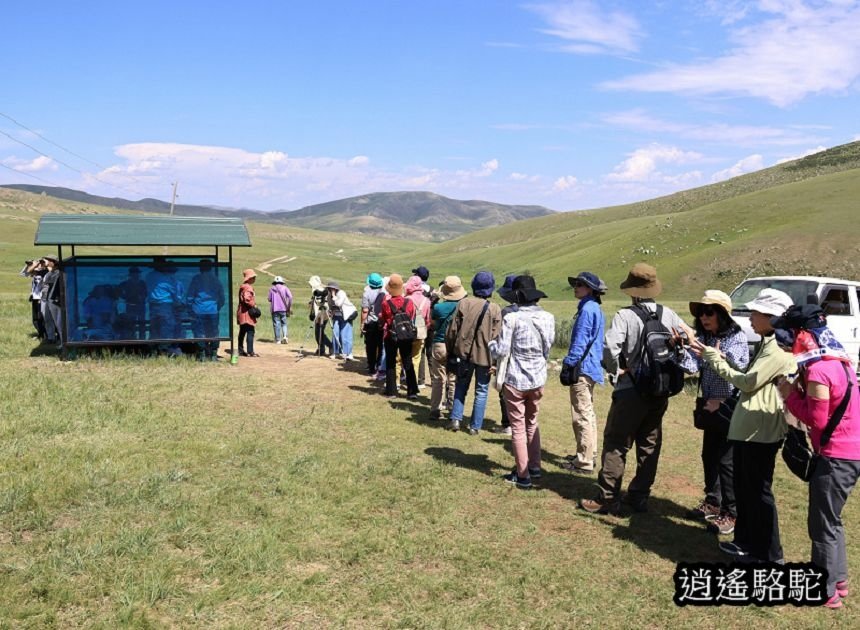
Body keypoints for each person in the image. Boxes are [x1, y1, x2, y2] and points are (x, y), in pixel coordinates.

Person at [692, 288, 794, 564]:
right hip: (751, 427)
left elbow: (747, 382)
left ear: (771, 317)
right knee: (746, 488)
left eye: (756, 312)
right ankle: (746, 543)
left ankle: (771, 555)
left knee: (759, 492)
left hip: (759, 429)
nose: (750, 316)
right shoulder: (768, 343)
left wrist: (713, 357)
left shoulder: (778, 349)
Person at [580, 263, 687, 515]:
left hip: (631, 389)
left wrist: (616, 370)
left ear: (632, 290)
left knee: (617, 442)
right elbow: (685, 338)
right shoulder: (668, 314)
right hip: (660, 389)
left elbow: (610, 348)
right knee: (649, 444)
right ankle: (639, 496)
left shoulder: (625, 316)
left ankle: (607, 497)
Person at [774, 305, 860, 609]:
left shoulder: (821, 371)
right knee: (831, 520)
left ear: (801, 336)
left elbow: (817, 420)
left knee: (821, 525)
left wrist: (789, 394)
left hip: (835, 457)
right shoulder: (840, 362)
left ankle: (824, 591)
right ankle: (839, 580)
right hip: (850, 454)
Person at [678, 290, 750, 536]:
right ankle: (713, 502)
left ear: (722, 314)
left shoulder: (736, 337)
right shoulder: (707, 337)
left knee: (727, 462)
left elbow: (738, 368)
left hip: (729, 406)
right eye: (701, 313)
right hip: (710, 406)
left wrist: (714, 353)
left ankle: (732, 513)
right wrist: (680, 348)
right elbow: (691, 365)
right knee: (709, 455)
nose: (704, 317)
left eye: (709, 312)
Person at [490, 276, 555, 489]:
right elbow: (547, 348)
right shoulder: (548, 317)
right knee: (532, 422)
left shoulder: (512, 319)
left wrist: (490, 345)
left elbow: (501, 350)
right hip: (537, 378)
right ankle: (535, 466)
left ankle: (523, 474)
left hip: (515, 379)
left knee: (517, 426)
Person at [446, 271, 502, 434]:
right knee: (482, 390)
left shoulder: (463, 304)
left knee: (461, 386)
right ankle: (474, 427)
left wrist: (451, 350)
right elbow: (497, 336)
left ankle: (455, 419)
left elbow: (452, 330)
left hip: (464, 353)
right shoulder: (495, 308)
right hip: (485, 357)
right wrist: (496, 361)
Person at [562, 272, 607, 474]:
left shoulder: (587, 310)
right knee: (587, 412)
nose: (576, 287)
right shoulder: (594, 308)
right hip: (591, 367)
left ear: (590, 289)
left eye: (580, 284)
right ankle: (590, 454)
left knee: (581, 414)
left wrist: (568, 363)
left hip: (582, 368)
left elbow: (580, 341)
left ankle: (584, 461)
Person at [429, 276, 465, 420]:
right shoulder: (463, 307)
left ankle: (435, 409)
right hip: (455, 345)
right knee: (453, 378)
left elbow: (433, 325)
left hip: (439, 343)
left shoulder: (438, 308)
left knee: (438, 379)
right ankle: (452, 409)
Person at [378, 274, 419, 399]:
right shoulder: (409, 302)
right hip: (406, 334)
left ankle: (391, 390)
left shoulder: (386, 304)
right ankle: (412, 391)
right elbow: (411, 316)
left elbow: (383, 319)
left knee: (391, 362)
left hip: (391, 334)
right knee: (408, 361)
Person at [491, 274, 519, 435]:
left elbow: (500, 337)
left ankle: (508, 423)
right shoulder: (527, 310)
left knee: (504, 390)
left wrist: (494, 360)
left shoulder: (506, 312)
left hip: (507, 356)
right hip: (524, 357)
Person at [187, 259, 225, 361]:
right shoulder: (216, 279)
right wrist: (217, 307)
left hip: (199, 310)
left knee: (200, 332)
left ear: (200, 268)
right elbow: (222, 298)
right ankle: (213, 355)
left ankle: (202, 354)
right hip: (213, 311)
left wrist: (190, 308)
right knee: (214, 332)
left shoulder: (196, 279)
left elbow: (190, 296)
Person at [406, 275, 432, 384]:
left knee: (405, 356)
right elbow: (428, 320)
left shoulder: (407, 299)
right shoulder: (427, 300)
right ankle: (414, 381)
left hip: (407, 332)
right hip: (420, 331)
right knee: (416, 358)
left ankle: (406, 379)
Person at [361, 273, 386, 375]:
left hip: (370, 323)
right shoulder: (384, 293)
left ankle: (371, 367)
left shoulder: (366, 294)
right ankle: (379, 365)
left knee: (370, 346)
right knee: (380, 345)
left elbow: (365, 311)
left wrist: (362, 324)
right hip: (381, 322)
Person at [326, 281, 357, 360]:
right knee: (335, 333)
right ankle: (335, 352)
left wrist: (334, 296)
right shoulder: (329, 296)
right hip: (336, 316)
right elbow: (330, 306)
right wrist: (330, 312)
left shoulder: (341, 293)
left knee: (345, 335)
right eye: (330, 289)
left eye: (333, 289)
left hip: (346, 316)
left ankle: (348, 353)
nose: (331, 290)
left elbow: (339, 303)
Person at [118, 267, 148, 340]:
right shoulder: (125, 284)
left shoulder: (142, 283)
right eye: (135, 274)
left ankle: (142, 339)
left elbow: (146, 293)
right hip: (130, 305)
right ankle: (132, 339)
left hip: (140, 306)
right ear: (131, 274)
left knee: (142, 323)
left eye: (138, 273)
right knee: (131, 324)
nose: (137, 275)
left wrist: (142, 298)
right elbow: (118, 292)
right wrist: (126, 297)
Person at [40, 255, 64, 345]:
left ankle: (62, 342)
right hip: (50, 299)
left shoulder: (57, 273)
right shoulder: (49, 273)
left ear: (54, 262)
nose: (46, 261)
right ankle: (60, 341)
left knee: (60, 323)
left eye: (49, 260)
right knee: (56, 322)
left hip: (56, 300)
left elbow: (50, 282)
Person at [21, 258, 47, 339]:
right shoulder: (35, 272)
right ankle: (41, 334)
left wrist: (36, 265)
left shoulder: (44, 272)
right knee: (35, 318)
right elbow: (23, 274)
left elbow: (29, 272)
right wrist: (28, 265)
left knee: (40, 318)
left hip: (40, 297)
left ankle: (45, 334)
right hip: (34, 298)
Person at [237, 268, 260, 357]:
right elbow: (247, 299)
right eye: (253, 277)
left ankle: (240, 350)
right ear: (249, 278)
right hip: (247, 313)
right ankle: (250, 351)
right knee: (250, 331)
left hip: (242, 312)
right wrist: (254, 305)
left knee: (242, 331)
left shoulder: (243, 286)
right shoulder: (248, 287)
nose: (254, 279)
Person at [308, 276, 333, 357]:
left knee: (318, 332)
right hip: (324, 313)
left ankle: (328, 346)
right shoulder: (322, 289)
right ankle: (321, 348)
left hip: (321, 313)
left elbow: (318, 304)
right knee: (319, 332)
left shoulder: (318, 290)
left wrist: (316, 316)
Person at [268, 276, 293, 344]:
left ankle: (278, 339)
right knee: (284, 323)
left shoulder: (271, 289)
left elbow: (269, 299)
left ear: (274, 282)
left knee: (276, 323)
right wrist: (288, 306)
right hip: (283, 308)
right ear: (282, 282)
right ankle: (285, 336)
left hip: (274, 309)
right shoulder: (285, 288)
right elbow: (290, 297)